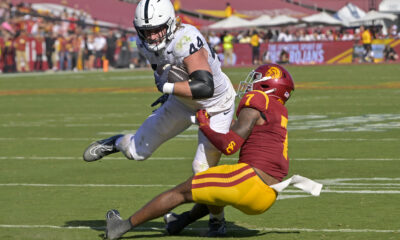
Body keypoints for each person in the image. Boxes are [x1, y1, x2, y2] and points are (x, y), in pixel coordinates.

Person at [103, 64, 322, 240]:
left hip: (249, 182)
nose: (250, 83)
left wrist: (205, 125)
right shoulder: (279, 111)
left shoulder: (258, 99)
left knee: (180, 192)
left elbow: (229, 147)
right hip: (268, 195)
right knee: (214, 188)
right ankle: (184, 222)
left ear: (268, 86)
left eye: (256, 79)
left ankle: (121, 227)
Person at [83, 0, 236, 234]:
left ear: (171, 23)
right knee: (136, 151)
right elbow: (163, 72)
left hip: (217, 105)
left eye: (157, 29)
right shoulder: (144, 45)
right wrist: (169, 91)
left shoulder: (185, 40)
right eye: (147, 31)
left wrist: (167, 89)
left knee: (202, 171)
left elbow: (205, 87)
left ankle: (217, 220)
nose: (152, 36)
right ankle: (114, 142)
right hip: (182, 103)